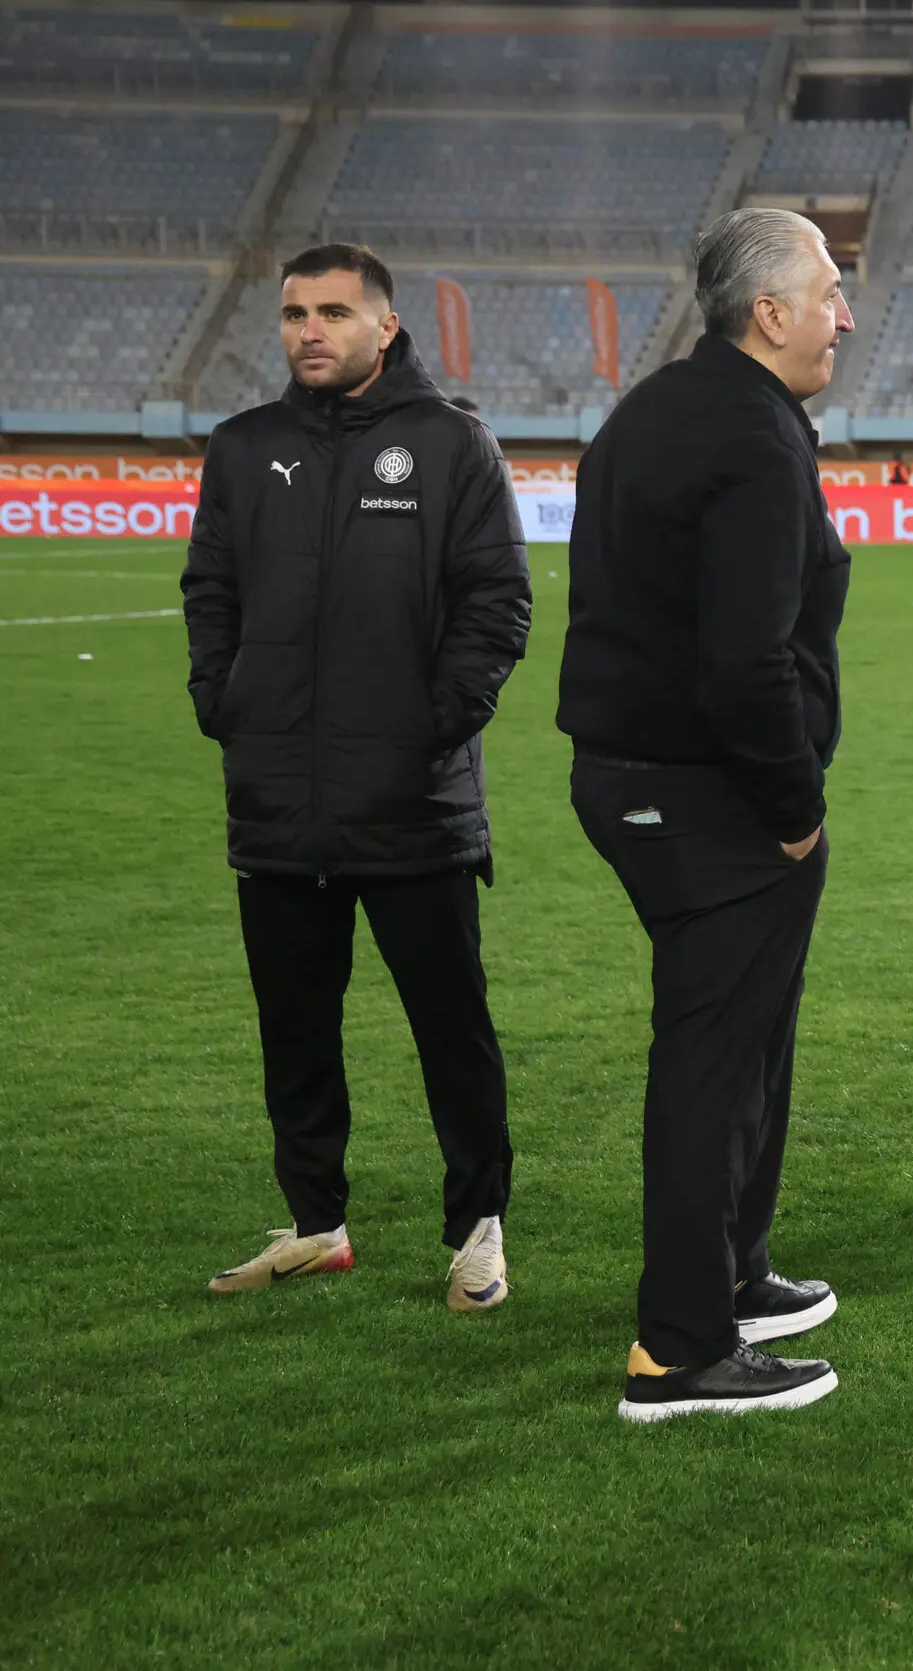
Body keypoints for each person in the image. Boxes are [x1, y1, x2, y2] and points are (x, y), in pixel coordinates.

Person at [181, 242, 528, 1310]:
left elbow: (496, 604)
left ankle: (477, 1230)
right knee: (293, 1031)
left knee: (450, 1032)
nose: (310, 331)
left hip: (412, 804)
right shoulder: (244, 447)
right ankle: (316, 1224)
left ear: (386, 325)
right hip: (279, 800)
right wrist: (225, 704)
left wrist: (428, 728)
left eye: (333, 312)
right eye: (295, 314)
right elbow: (211, 591)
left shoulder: (451, 442)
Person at [557, 209, 854, 1423]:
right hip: (706, 793)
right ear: (768, 315)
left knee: (745, 1047)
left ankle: (732, 1274)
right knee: (712, 1063)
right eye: (828, 294)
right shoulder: (750, 435)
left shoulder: (657, 410)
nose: (844, 316)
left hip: (641, 775)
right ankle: (679, 1349)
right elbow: (745, 661)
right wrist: (793, 805)